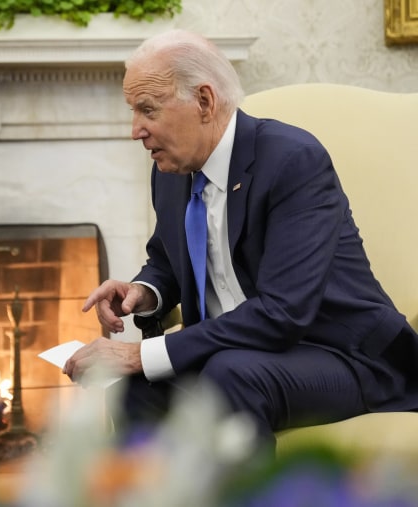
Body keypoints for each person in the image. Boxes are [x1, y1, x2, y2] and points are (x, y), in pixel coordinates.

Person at [63, 30, 418, 450]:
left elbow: (283, 313)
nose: (135, 130)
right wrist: (144, 291)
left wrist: (142, 354)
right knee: (131, 387)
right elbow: (167, 259)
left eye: (148, 110)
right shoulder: (169, 172)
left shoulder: (293, 161)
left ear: (204, 102)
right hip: (231, 352)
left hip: (341, 354)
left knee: (227, 374)